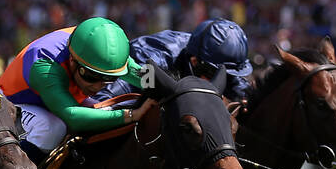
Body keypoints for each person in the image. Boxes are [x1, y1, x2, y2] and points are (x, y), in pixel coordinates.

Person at [0, 17, 154, 165]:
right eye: (92, 77)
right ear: (72, 61)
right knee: (51, 128)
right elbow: (73, 117)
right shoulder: (45, 66)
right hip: (12, 101)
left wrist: (169, 87)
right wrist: (132, 115)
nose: (99, 86)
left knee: (105, 110)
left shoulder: (103, 54)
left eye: (109, 79)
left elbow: (144, 77)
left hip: (54, 96)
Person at [94, 18, 254, 104]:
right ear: (194, 61)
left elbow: (237, 85)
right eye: (214, 74)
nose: (220, 81)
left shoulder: (213, 62)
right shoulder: (153, 60)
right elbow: (102, 100)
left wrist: (245, 100)